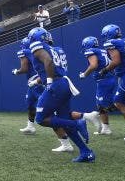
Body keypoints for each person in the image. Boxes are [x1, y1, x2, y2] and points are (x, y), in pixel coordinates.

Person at [28, 27, 94, 163]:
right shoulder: (56, 49)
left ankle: (78, 123)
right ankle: (86, 152)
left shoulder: (37, 45)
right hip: (64, 83)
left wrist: (49, 82)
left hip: (56, 84)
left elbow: (48, 62)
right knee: (64, 120)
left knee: (41, 119)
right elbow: (53, 67)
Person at [78, 36, 115, 135]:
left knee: (103, 104)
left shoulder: (90, 51)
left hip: (104, 80)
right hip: (108, 78)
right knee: (102, 104)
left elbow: (93, 65)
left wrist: (84, 74)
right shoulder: (102, 51)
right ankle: (105, 128)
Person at [10, 37, 42, 136]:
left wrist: (16, 72)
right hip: (35, 81)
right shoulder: (37, 51)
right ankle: (30, 126)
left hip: (35, 81)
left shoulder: (24, 51)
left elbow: (24, 69)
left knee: (46, 107)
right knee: (30, 104)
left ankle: (68, 123)